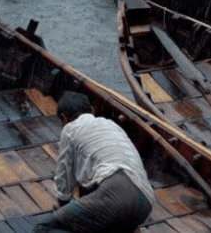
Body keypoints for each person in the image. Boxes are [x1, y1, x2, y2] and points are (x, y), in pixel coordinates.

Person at [33, 92, 154, 233]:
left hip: (117, 194)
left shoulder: (71, 129)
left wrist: (63, 207)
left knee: (44, 228)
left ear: (64, 117)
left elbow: (64, 177)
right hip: (146, 202)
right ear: (91, 110)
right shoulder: (112, 125)